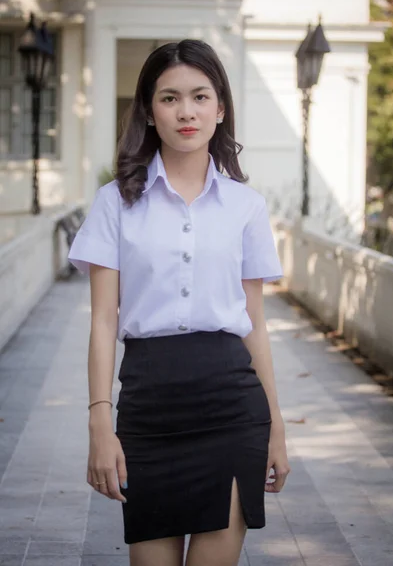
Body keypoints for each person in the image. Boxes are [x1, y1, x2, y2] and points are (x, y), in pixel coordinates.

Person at [68, 39, 290, 566]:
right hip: (149, 411)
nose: (186, 111)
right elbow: (103, 321)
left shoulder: (246, 207)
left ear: (220, 108)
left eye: (199, 96)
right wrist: (101, 423)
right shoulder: (115, 203)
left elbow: (253, 323)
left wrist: (276, 427)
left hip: (232, 409)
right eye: (169, 98)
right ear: (149, 109)